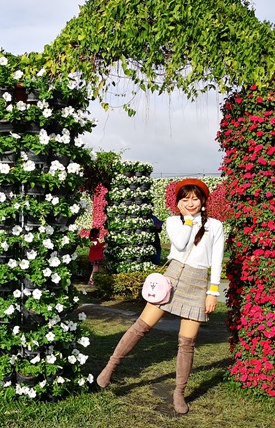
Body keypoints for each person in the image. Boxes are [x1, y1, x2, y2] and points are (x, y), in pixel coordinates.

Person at [96, 178, 224, 415]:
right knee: (140, 327)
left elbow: (217, 259)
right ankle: (111, 366)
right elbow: (180, 242)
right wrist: (187, 220)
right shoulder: (173, 222)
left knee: (187, 344)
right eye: (185, 199)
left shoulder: (215, 226)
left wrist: (212, 292)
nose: (191, 203)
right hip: (172, 279)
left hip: (197, 284)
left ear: (204, 201)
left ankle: (178, 393)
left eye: (195, 198)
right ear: (178, 203)